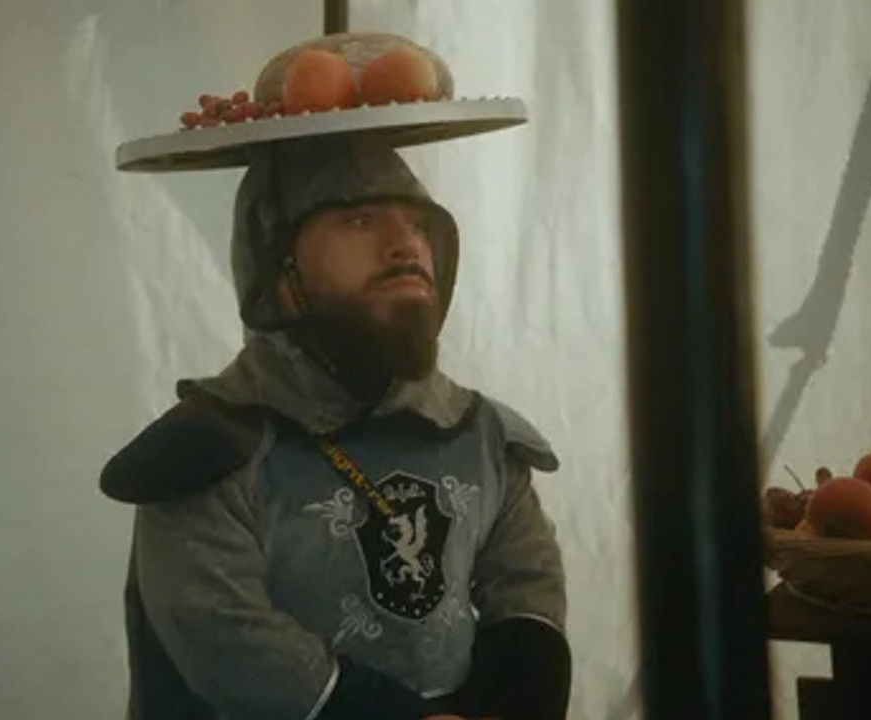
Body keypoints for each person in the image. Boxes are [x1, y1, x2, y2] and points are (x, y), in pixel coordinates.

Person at [103, 34, 569, 720]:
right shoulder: (210, 453)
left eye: (419, 225)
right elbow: (224, 637)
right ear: (278, 271)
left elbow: (528, 587)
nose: (405, 245)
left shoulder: (484, 437)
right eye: (359, 220)